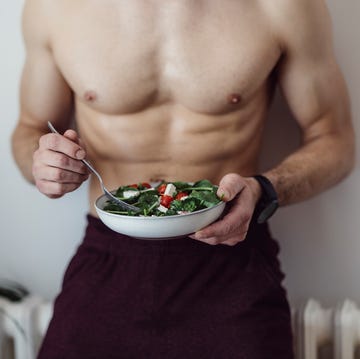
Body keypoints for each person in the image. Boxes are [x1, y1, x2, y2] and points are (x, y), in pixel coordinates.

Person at [12, 0, 354, 358]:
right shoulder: (54, 8)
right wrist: (43, 165)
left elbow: (335, 139)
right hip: (109, 260)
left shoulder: (283, 6)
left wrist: (265, 189)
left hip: (232, 264)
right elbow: (31, 128)